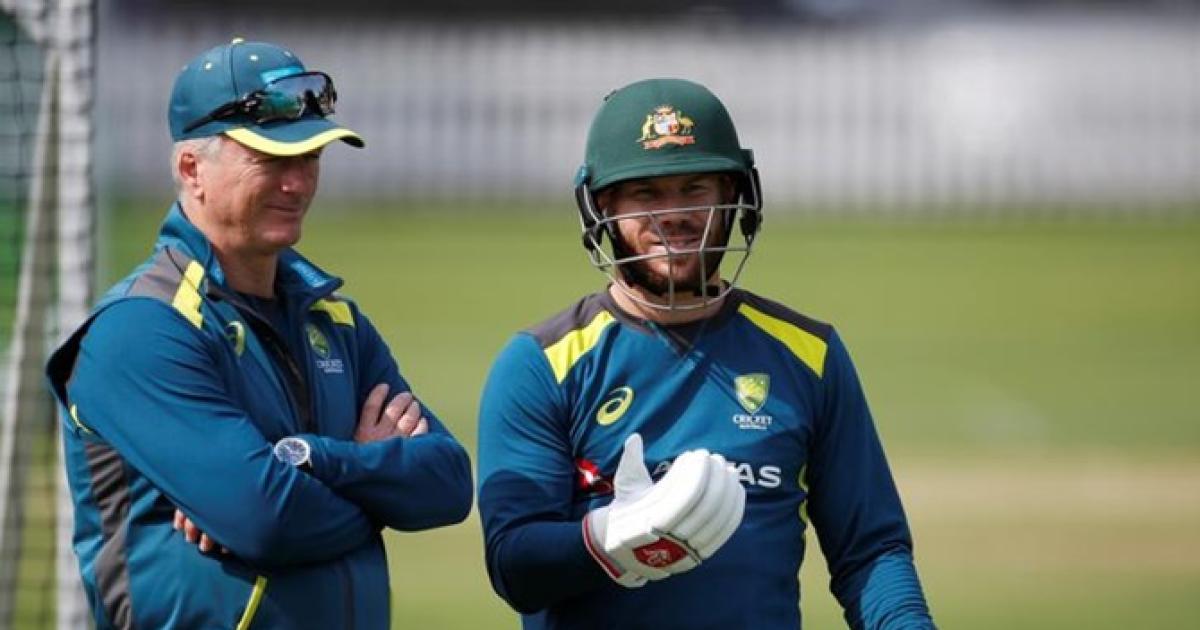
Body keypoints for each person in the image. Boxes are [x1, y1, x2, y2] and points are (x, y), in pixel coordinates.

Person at [45, 39, 473, 629]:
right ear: (192, 169)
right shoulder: (138, 329)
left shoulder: (335, 321)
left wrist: (314, 460)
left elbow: (448, 485)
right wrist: (376, 484)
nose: (297, 183)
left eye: (311, 157)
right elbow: (265, 520)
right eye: (271, 160)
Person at [476, 78, 934, 628]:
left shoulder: (810, 355)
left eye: (695, 189)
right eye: (646, 193)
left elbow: (871, 552)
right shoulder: (541, 365)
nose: (674, 215)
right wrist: (614, 540)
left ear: (734, 197)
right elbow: (514, 567)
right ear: (602, 207)